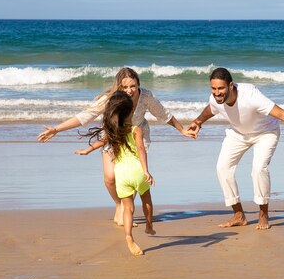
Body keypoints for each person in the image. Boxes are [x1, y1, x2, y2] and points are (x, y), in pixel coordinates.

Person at [187, 67, 284, 230]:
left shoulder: (251, 96)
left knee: (259, 169)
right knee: (222, 168)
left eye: (221, 88)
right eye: (214, 89)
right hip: (238, 134)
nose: (217, 93)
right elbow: (210, 109)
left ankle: (263, 214)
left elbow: (283, 114)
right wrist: (197, 122)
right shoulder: (215, 98)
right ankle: (239, 215)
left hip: (266, 133)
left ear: (231, 86)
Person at [38, 67, 195, 225]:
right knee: (110, 177)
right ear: (118, 87)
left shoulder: (146, 96)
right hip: (112, 135)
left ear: (138, 84)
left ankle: (126, 211)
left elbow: (163, 114)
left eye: (133, 86)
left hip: (136, 136)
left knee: (132, 175)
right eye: (124, 87)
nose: (129, 90)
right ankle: (119, 204)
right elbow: (84, 116)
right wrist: (56, 129)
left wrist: (182, 130)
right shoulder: (110, 98)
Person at [75, 91, 154, 256]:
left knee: (127, 208)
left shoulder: (113, 130)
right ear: (131, 111)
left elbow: (101, 141)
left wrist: (87, 150)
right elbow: (141, 149)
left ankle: (128, 236)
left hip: (121, 174)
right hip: (137, 171)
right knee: (146, 199)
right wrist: (146, 171)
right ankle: (149, 226)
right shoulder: (135, 129)